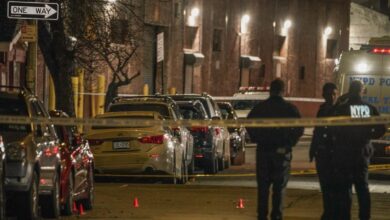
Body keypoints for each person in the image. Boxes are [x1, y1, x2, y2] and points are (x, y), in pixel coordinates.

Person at [247, 78, 304, 220]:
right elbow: (300, 127)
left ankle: (262, 215)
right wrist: (289, 143)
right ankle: (276, 216)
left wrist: (257, 138)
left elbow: (249, 123)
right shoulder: (289, 108)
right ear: (283, 91)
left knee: (263, 188)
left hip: (264, 151)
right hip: (281, 152)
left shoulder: (261, 108)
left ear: (270, 90)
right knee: (279, 188)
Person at [331, 80, 386, 220]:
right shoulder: (369, 108)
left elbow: (332, 127)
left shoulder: (343, 108)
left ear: (350, 90)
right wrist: (368, 135)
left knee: (346, 189)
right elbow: (382, 128)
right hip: (362, 152)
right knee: (362, 188)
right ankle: (364, 217)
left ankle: (345, 216)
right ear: (362, 91)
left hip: (345, 152)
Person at [309, 82, 338, 220]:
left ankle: (333, 212)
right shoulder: (322, 110)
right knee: (325, 185)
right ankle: (328, 211)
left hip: (335, 154)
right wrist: (312, 149)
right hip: (323, 153)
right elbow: (317, 131)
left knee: (335, 186)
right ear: (324, 95)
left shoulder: (340, 110)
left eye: (333, 94)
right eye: (329, 94)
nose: (331, 97)